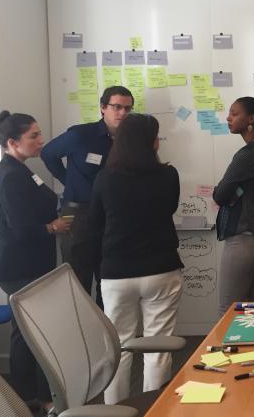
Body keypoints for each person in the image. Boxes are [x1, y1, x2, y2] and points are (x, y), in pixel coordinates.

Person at [88, 114, 183, 404]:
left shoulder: (104, 178)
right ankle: (155, 407)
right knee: (158, 344)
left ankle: (115, 409)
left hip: (117, 272)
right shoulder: (168, 175)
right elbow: (169, 208)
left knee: (118, 346)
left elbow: (95, 223)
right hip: (161, 269)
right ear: (151, 142)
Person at [0, 111, 71, 414]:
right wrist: (54, 227)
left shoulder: (22, 169)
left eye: (39, 134)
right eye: (34, 136)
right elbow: (22, 229)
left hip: (30, 263)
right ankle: (36, 398)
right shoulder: (11, 176)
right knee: (33, 332)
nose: (41, 141)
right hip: (18, 266)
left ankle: (30, 397)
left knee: (26, 332)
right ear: (13, 142)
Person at [41, 85, 134, 308]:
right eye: (117, 107)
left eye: (127, 109)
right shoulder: (80, 135)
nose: (122, 113)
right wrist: (68, 181)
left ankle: (107, 338)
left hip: (111, 215)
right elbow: (48, 154)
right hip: (77, 211)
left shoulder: (129, 140)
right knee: (77, 279)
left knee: (110, 281)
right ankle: (80, 339)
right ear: (103, 108)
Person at [213, 96, 254, 315]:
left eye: (234, 113)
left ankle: (226, 350)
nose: (228, 118)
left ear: (251, 119)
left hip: (245, 235)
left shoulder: (248, 154)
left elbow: (220, 195)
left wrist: (226, 192)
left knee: (229, 310)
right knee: (251, 304)